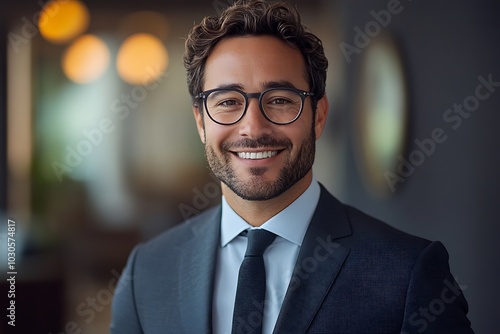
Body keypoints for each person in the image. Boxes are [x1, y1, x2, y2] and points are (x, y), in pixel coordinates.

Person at [110, 1, 474, 333]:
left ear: (319, 116)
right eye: (227, 102)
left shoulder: (407, 273)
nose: (253, 128)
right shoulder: (148, 271)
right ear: (201, 122)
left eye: (281, 100)